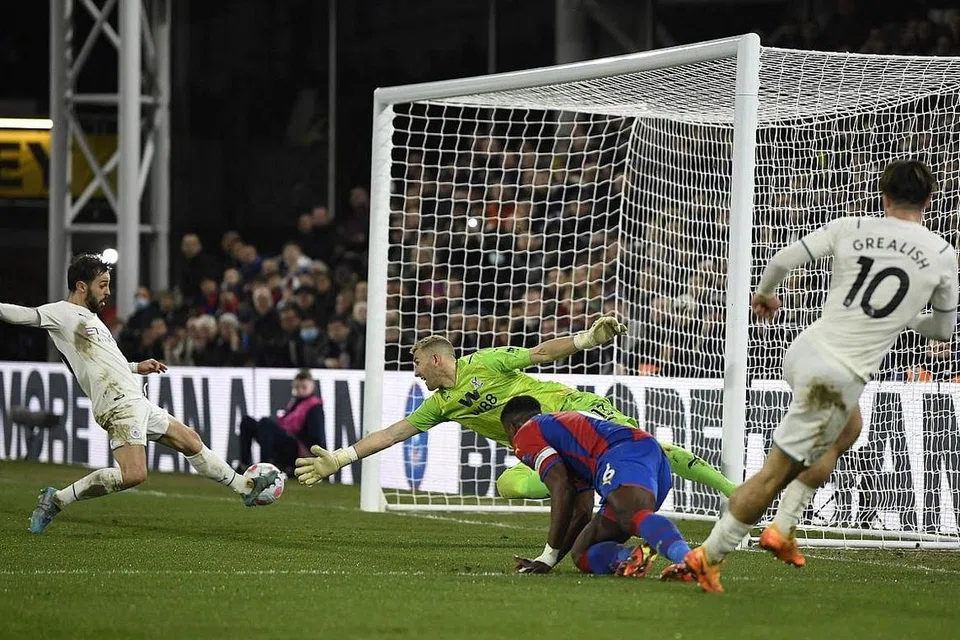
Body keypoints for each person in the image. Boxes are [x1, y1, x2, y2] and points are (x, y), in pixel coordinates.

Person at [686, 160, 959, 593]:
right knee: (774, 473)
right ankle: (711, 554)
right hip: (836, 378)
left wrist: (765, 295)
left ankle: (784, 526)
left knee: (848, 430)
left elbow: (780, 259)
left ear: (883, 195)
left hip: (805, 350)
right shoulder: (943, 254)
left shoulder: (850, 225)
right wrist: (904, 317)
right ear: (929, 200)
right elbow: (943, 330)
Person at [294, 315, 737, 499]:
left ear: (435, 358)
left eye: (417, 366)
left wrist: (587, 339)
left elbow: (540, 353)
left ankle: (736, 493)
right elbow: (393, 434)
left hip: (575, 411)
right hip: (543, 450)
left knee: (649, 449)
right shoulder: (441, 405)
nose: (416, 376)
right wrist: (342, 457)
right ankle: (585, 480)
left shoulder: (485, 363)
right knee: (509, 486)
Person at [0, 254, 279, 534]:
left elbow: (104, 360)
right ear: (81, 286)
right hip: (118, 405)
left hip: (135, 399)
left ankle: (244, 487)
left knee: (190, 441)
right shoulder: (60, 312)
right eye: (103, 285)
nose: (108, 291)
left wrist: (135, 366)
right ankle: (58, 499)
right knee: (134, 474)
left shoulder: (92, 319)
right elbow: (23, 315)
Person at [500, 395, 697, 580]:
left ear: (511, 428)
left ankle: (691, 561)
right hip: (647, 459)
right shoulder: (566, 440)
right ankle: (628, 558)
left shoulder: (525, 433)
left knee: (630, 515)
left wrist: (548, 554)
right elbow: (582, 512)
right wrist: (548, 560)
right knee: (583, 553)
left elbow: (561, 487)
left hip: (624, 452)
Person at [238, 369, 325, 476]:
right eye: (297, 387)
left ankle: (265, 467)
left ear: (312, 386)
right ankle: (244, 464)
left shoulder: (314, 408)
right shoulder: (295, 403)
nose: (300, 390)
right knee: (248, 422)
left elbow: (316, 437)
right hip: (287, 444)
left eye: (304, 387)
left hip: (299, 451)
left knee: (266, 424)